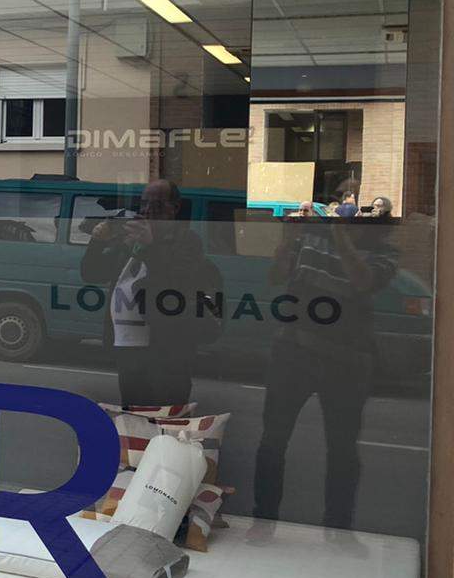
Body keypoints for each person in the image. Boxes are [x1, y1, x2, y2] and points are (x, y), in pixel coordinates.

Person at [252, 205, 396, 533]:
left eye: (356, 210)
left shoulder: (384, 253)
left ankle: (338, 528)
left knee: (342, 448)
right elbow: (277, 276)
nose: (347, 211)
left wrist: (341, 238)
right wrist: (288, 237)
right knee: (273, 439)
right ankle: (263, 521)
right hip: (294, 352)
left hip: (346, 362)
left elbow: (363, 281)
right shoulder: (312, 237)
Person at [79, 179, 222, 408]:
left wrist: (150, 246)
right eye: (144, 204)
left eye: (156, 205)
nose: (148, 210)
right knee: (135, 418)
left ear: (174, 208)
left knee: (165, 420)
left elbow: (175, 288)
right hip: (129, 351)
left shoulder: (186, 241)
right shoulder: (130, 242)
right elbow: (92, 273)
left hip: (167, 354)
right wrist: (97, 242)